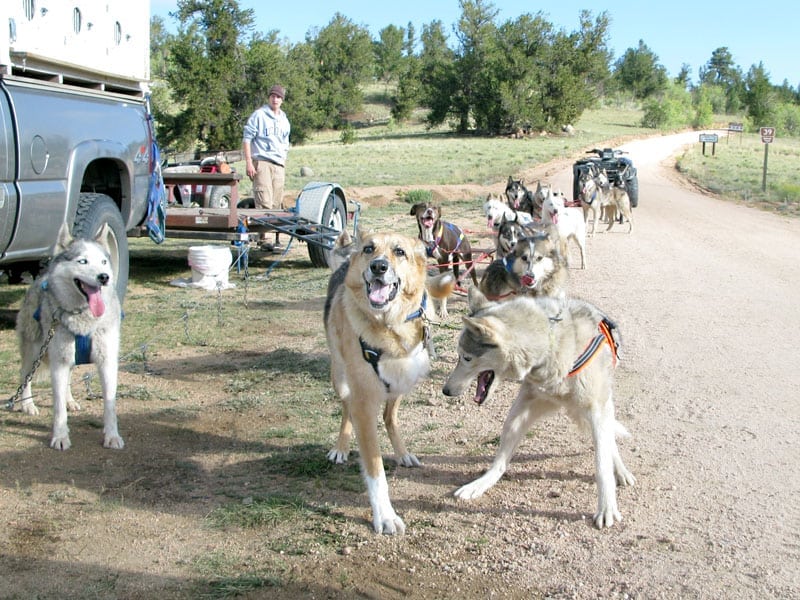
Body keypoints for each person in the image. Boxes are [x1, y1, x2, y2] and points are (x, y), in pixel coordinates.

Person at [242, 84, 291, 250]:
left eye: (278, 97)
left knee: (277, 202)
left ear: (282, 100)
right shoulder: (259, 115)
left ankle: (275, 235)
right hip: (262, 161)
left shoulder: (284, 119)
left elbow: (285, 142)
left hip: (278, 164)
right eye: (273, 96)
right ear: (269, 98)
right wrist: (249, 162)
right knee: (264, 200)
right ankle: (265, 239)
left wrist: (283, 160)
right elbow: (247, 138)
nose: (275, 99)